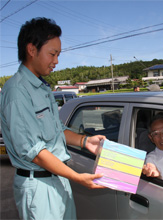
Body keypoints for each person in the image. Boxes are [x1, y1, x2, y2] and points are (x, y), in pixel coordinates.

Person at [0, 17, 106, 220]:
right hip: (39, 187)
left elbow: (56, 130)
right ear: (31, 50)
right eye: (52, 54)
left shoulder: (42, 88)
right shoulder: (17, 91)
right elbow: (36, 152)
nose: (56, 61)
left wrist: (86, 141)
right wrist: (76, 177)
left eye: (58, 54)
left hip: (58, 179)